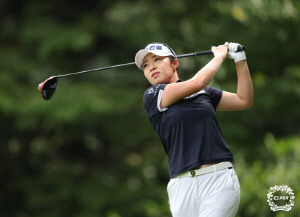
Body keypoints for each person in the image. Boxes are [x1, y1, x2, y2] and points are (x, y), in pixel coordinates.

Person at [135, 42, 253, 217]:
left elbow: (244, 100)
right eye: (145, 65)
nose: (151, 66)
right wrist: (219, 56)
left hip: (217, 180)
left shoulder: (205, 93)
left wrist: (240, 59)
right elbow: (197, 82)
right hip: (181, 186)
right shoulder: (153, 95)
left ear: (174, 63)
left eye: (157, 59)